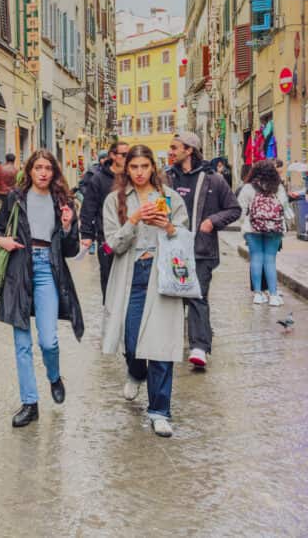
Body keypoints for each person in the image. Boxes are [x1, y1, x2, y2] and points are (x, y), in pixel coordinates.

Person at [0, 150, 83, 428]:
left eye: (48, 168)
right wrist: (1, 241)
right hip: (19, 268)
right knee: (22, 344)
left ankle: (54, 376)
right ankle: (30, 403)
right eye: (38, 167)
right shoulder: (15, 198)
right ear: (29, 171)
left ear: (54, 172)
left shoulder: (63, 202)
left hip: (48, 271)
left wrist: (67, 227)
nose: (43, 172)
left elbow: (71, 249)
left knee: (48, 340)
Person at [101, 144, 188, 438]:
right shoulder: (115, 201)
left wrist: (169, 228)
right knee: (132, 340)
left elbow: (184, 238)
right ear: (127, 169)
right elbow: (112, 245)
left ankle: (160, 411)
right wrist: (134, 220)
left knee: (162, 346)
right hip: (131, 276)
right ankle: (136, 371)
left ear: (153, 167)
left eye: (144, 167)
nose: (139, 173)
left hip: (161, 275)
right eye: (134, 167)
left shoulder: (170, 198)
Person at [165, 133, 241, 368]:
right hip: (172, 248)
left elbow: (234, 209)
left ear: (189, 150)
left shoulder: (213, 180)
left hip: (201, 249)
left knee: (197, 295)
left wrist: (211, 221)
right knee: (171, 296)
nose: (171, 151)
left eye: (175, 147)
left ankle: (199, 346)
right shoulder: (166, 178)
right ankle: (172, 341)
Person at [238, 160, 293, 306]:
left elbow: (240, 211)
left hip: (252, 228)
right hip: (274, 228)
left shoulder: (248, 188)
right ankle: (273, 295)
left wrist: (245, 222)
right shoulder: (278, 188)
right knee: (270, 260)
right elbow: (285, 208)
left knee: (256, 258)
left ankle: (258, 294)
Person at [80, 141, 130, 301]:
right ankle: (109, 309)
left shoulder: (132, 176)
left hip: (129, 236)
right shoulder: (99, 179)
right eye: (123, 155)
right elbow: (89, 207)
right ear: (113, 156)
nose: (127, 158)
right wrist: (87, 235)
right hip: (106, 240)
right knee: (108, 275)